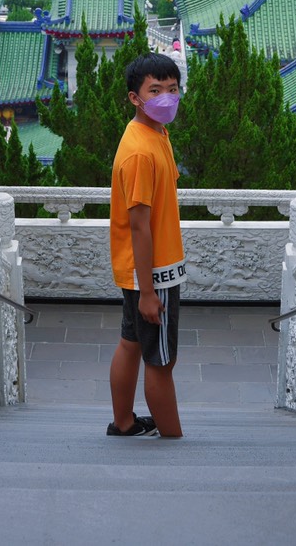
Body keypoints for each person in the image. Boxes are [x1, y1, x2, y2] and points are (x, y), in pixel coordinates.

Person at [107, 51, 184, 439]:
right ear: (134, 97)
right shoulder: (140, 152)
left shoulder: (153, 133)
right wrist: (149, 292)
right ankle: (173, 441)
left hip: (137, 270)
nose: (166, 97)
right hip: (154, 273)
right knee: (160, 363)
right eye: (155, 90)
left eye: (172, 88)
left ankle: (124, 423)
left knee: (132, 344)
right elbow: (139, 226)